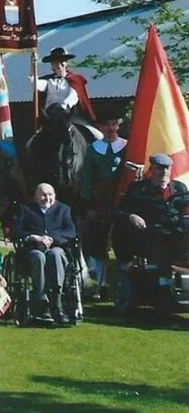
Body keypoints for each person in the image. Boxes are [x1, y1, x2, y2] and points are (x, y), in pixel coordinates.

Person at [114, 154, 189, 318]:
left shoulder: (180, 189)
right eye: (159, 168)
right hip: (150, 234)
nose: (164, 172)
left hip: (176, 234)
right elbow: (120, 211)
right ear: (152, 169)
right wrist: (131, 216)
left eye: (166, 168)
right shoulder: (138, 189)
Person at [10, 183, 77, 324]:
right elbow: (16, 231)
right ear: (36, 197)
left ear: (55, 195)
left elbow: (70, 232)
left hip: (57, 248)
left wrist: (53, 239)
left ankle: (56, 302)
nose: (47, 198)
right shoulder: (25, 209)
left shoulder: (63, 209)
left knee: (56, 254)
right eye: (43, 194)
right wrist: (34, 237)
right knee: (38, 256)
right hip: (32, 250)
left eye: (50, 194)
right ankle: (40, 301)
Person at [81, 111, 127, 299]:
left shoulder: (126, 146)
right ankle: (102, 284)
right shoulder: (94, 149)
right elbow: (87, 179)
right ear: (100, 127)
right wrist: (90, 205)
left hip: (122, 200)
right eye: (106, 125)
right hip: (101, 201)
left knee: (123, 241)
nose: (110, 128)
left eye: (113, 124)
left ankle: (124, 284)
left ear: (118, 125)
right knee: (99, 243)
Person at [35, 47, 100, 137]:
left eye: (62, 61)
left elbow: (73, 95)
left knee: (97, 136)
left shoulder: (75, 79)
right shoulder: (47, 80)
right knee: (32, 143)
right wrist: (33, 66)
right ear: (52, 65)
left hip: (70, 115)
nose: (59, 64)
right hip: (50, 116)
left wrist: (64, 105)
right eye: (55, 62)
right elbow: (37, 85)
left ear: (66, 63)